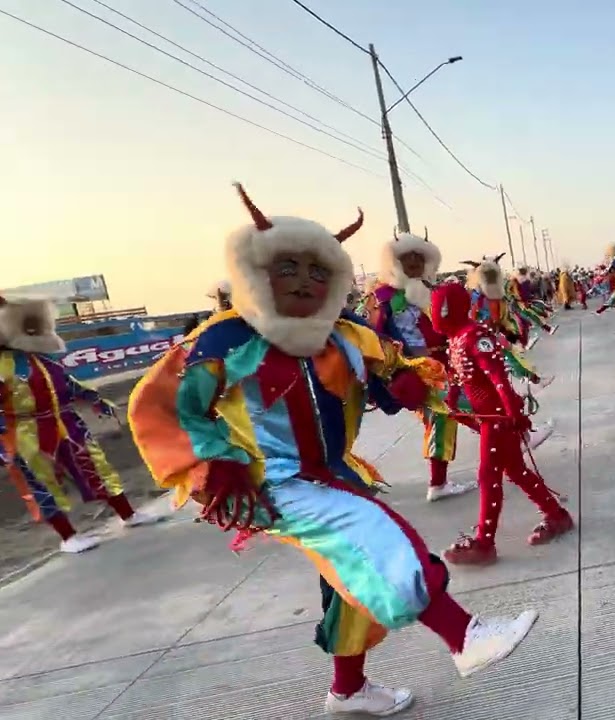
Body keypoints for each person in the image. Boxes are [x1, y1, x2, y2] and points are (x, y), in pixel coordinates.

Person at [128, 184, 538, 716]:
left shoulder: (346, 334)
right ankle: (464, 636)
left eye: (319, 271)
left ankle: (348, 690)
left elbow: (393, 371)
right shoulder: (223, 340)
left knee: (349, 577)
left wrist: (408, 385)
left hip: (335, 471)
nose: (304, 280)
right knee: (376, 535)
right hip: (269, 481)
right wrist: (215, 464)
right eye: (288, 266)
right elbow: (168, 408)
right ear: (256, 273)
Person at [0, 296, 162, 554]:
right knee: (42, 485)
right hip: (24, 433)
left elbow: (68, 383)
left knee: (97, 468)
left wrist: (95, 400)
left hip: (66, 423)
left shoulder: (43, 359)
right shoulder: (3, 367)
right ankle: (68, 537)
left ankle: (128, 515)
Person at [431, 281, 575, 566]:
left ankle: (485, 542)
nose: (434, 314)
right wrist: (452, 400)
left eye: (437, 308)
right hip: (489, 417)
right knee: (517, 471)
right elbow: (459, 378)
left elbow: (498, 379)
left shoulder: (475, 336)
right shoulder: (457, 339)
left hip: (498, 418)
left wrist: (514, 415)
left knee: (488, 476)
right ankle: (557, 516)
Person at [366, 231, 477, 502]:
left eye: (419, 258)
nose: (414, 263)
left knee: (445, 417)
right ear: (394, 262)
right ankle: (514, 438)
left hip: (440, 363)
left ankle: (438, 483)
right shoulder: (382, 297)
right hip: (414, 368)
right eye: (407, 258)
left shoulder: (426, 290)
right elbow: (371, 337)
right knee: (463, 405)